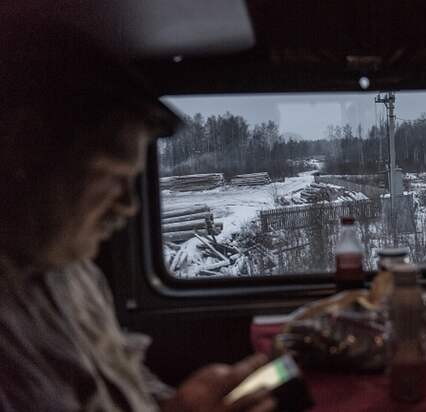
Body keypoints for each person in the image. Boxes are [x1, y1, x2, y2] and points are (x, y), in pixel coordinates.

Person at [0, 18, 275, 412]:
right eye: (113, 178)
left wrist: (178, 405)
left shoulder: (75, 274)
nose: (129, 206)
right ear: (26, 152)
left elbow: (123, 383)